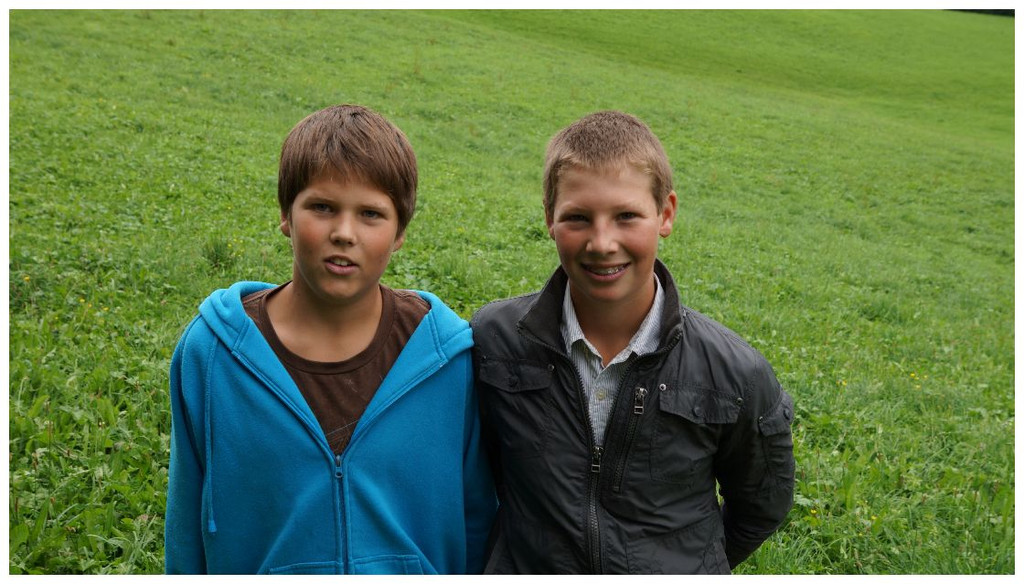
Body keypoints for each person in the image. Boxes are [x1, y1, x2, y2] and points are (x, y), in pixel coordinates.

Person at [165, 104, 496, 574]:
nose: (344, 233)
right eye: (322, 207)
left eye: (371, 214)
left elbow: (477, 522)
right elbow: (186, 525)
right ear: (286, 214)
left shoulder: (449, 360)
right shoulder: (210, 353)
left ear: (400, 232)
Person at [471, 110, 795, 574]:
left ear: (666, 213)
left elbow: (762, 505)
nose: (602, 243)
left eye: (626, 216)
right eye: (578, 217)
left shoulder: (735, 373)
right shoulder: (495, 339)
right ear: (548, 218)